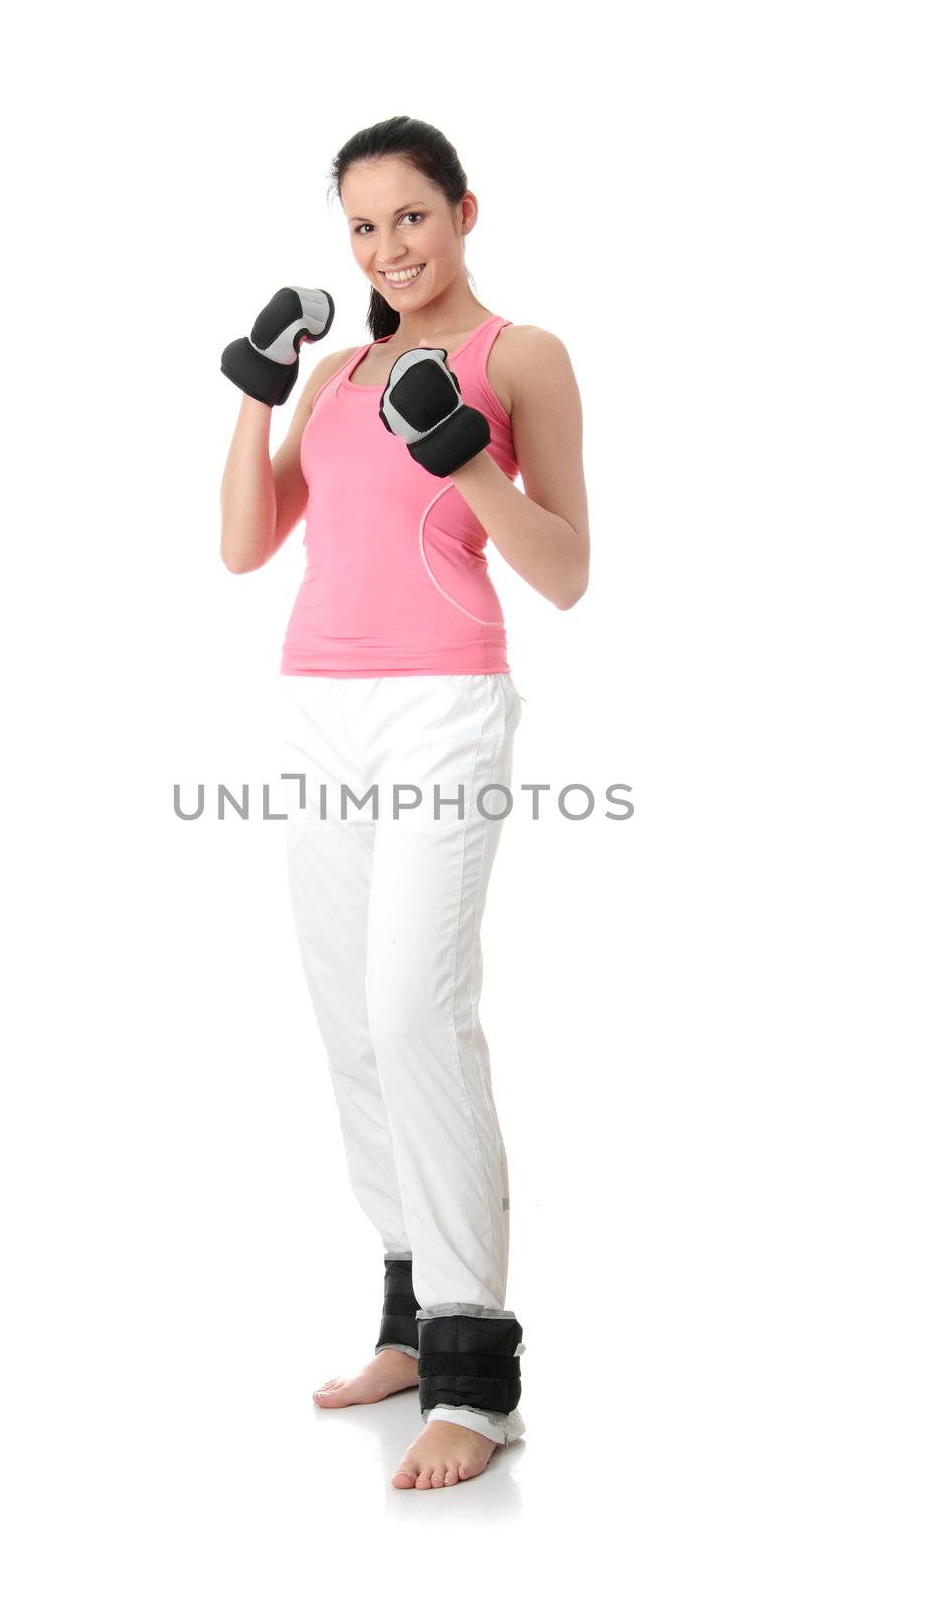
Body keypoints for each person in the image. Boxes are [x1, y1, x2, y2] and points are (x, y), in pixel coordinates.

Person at [219, 116, 590, 1489]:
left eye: (412, 219)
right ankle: (408, 1315)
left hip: (444, 706)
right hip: (318, 700)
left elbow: (564, 570)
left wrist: (467, 460)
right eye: (364, 228)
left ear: (466, 211)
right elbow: (247, 545)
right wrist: (262, 389)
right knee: (347, 1022)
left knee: (414, 1009)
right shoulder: (344, 369)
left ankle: (475, 1376)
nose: (389, 248)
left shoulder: (520, 359)